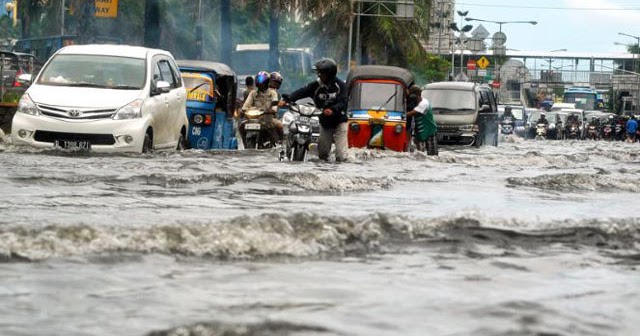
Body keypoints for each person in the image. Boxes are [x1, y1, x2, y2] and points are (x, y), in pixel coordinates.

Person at [279, 58, 348, 162]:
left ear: (329, 74)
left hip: (339, 122)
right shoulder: (316, 85)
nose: (319, 75)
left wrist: (332, 109)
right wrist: (287, 99)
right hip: (325, 123)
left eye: (321, 73)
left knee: (341, 156)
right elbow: (302, 91)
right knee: (323, 154)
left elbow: (343, 102)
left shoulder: (341, 86)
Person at [241, 70, 283, 146]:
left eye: (262, 82)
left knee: (279, 125)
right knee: (241, 125)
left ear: (267, 82)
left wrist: (271, 110)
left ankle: (279, 142)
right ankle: (245, 146)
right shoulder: (253, 93)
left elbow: (274, 106)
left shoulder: (273, 93)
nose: (261, 84)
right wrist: (243, 110)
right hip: (254, 119)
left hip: (268, 118)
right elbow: (246, 106)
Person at [406, 85, 438, 155]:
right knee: (420, 154)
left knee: (433, 155)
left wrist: (401, 115)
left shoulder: (424, 104)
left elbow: (412, 113)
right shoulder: (415, 103)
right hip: (420, 134)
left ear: (417, 95)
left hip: (430, 132)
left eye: (412, 95)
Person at [405, 85, 422, 151]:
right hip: (409, 118)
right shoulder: (413, 97)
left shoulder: (409, 97)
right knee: (409, 134)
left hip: (408, 118)